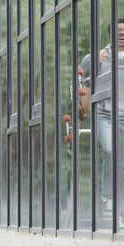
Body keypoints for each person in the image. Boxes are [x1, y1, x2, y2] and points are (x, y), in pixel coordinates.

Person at [75, 18, 124, 226]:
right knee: (111, 151)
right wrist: (78, 104)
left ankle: (120, 207)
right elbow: (76, 80)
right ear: (111, 35)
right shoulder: (98, 58)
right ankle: (109, 199)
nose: (122, 35)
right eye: (119, 32)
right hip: (105, 115)